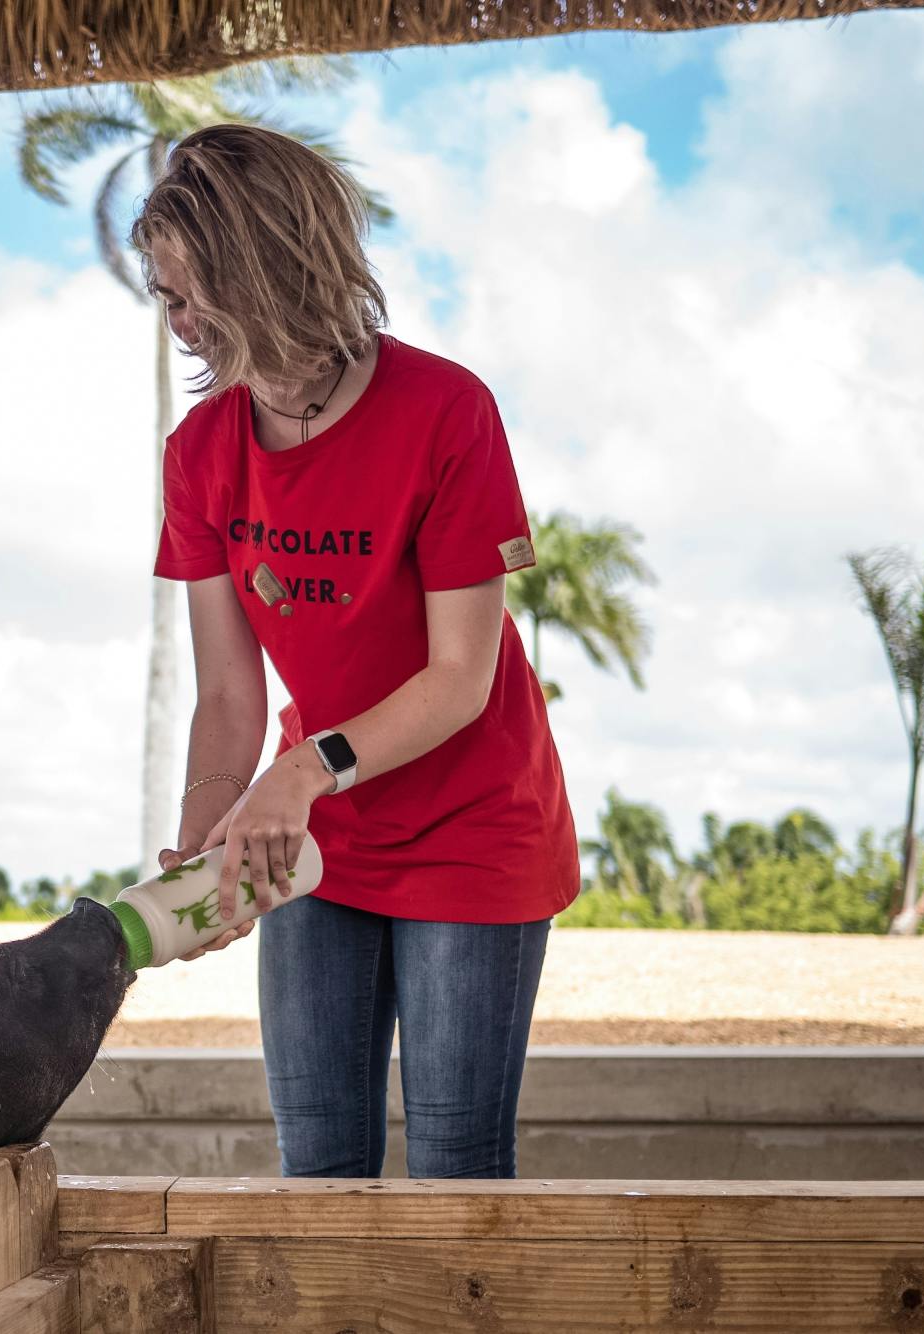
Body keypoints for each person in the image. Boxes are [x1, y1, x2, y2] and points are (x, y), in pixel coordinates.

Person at [136, 124, 578, 1180]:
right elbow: (230, 694)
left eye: (195, 296)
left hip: (473, 823)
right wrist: (206, 836)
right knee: (318, 1165)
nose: (182, 326)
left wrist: (299, 771)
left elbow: (459, 679)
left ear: (268, 271)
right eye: (164, 300)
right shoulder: (198, 454)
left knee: (456, 1166)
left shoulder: (444, 413)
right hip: (317, 834)